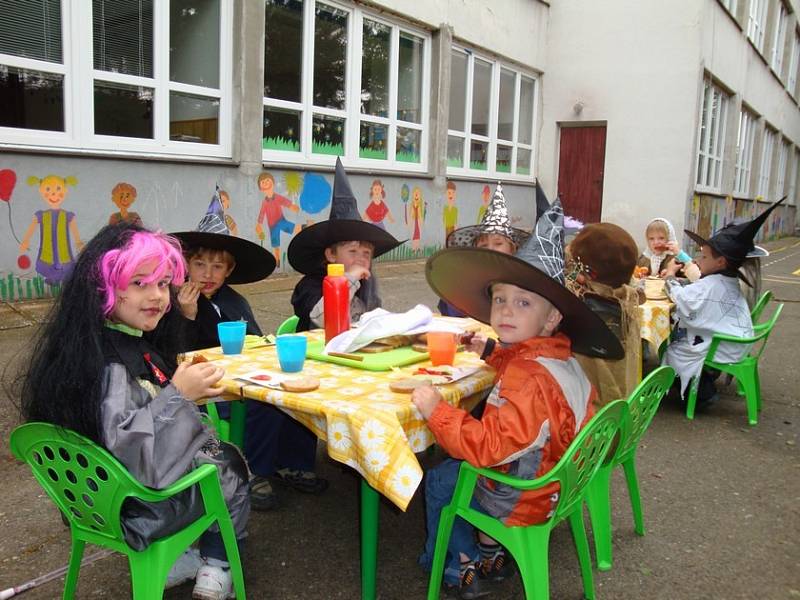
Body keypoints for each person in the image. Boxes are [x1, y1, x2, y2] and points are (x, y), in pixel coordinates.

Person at [19, 222, 248, 600]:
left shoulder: (90, 347)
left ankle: (179, 557)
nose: (157, 295)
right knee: (230, 466)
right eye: (139, 283)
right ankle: (217, 564)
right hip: (140, 508)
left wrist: (183, 395)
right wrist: (179, 395)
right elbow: (134, 452)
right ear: (104, 288)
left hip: (94, 501)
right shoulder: (113, 366)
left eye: (161, 283)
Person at [416, 199, 623, 598]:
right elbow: (529, 380)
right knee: (459, 465)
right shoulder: (558, 357)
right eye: (500, 299)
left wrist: (436, 410)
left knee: (441, 479)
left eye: (523, 303)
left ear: (550, 318)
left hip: (522, 497)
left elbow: (488, 448)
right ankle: (493, 550)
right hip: (559, 484)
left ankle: (458, 564)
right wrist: (491, 353)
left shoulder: (527, 379)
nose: (507, 310)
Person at [172, 193, 328, 510]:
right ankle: (252, 470)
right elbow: (174, 354)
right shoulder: (176, 302)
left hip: (245, 377)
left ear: (229, 271)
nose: (207, 274)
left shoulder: (234, 301)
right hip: (208, 391)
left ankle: (293, 463)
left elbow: (256, 340)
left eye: (217, 267)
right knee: (267, 405)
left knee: (294, 397)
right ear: (186, 265)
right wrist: (186, 315)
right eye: (199, 264)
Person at [661, 198, 784, 406]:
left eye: (704, 257)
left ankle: (702, 392)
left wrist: (671, 277)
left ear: (721, 262)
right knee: (682, 338)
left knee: (673, 349)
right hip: (735, 342)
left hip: (724, 347)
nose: (698, 261)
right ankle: (704, 379)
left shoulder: (712, 285)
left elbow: (684, 302)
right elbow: (700, 293)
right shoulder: (728, 279)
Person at [288, 158, 403, 332]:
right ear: (331, 255)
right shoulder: (311, 285)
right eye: (352, 251)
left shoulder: (365, 285)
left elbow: (372, 321)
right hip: (319, 353)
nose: (361, 259)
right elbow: (325, 318)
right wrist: (347, 280)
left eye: (366, 253)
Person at [566, 222, 642, 407]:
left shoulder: (578, 311)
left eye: (571, 264)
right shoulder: (626, 301)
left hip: (587, 419)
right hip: (620, 412)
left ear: (583, 276)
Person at [440, 182, 530, 317]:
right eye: (483, 246)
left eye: (498, 243)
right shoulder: (467, 280)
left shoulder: (523, 281)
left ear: (512, 249)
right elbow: (452, 316)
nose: (490, 249)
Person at [255, 171, 301, 266]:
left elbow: (285, 202)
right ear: (261, 188)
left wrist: (293, 207)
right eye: (263, 182)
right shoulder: (265, 202)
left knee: (293, 228)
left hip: (281, 221)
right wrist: (259, 225)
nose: (266, 183)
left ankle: (307, 228)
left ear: (273, 183)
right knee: (275, 244)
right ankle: (277, 262)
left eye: (267, 181)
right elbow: (261, 214)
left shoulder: (277, 197)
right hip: (272, 226)